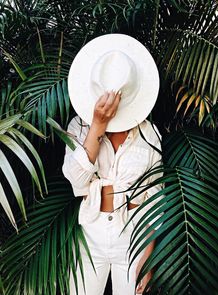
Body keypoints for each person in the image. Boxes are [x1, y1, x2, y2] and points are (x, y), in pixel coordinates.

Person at [62, 34, 163, 295]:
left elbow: (155, 197)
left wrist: (148, 255)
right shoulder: (78, 127)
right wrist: (98, 123)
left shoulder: (149, 134)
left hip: (134, 235)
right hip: (90, 233)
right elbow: (77, 181)